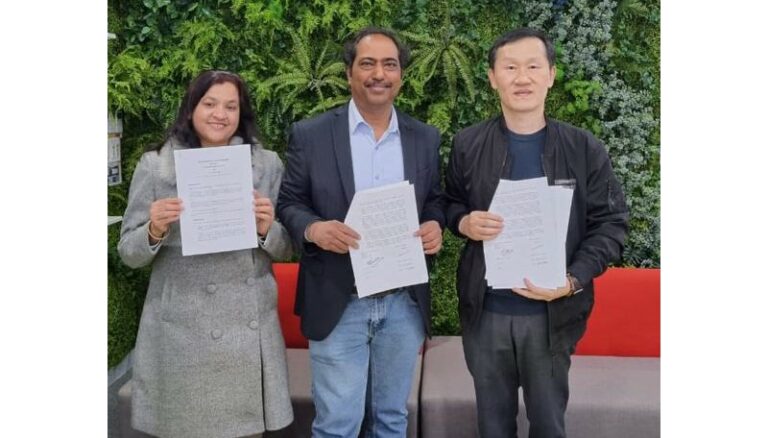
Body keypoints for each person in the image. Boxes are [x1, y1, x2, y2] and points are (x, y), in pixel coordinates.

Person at [444, 28, 629, 437]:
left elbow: (611, 224)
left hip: (552, 315)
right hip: (486, 313)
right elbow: (449, 203)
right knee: (493, 427)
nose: (522, 77)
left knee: (548, 425)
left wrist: (572, 280)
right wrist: (463, 222)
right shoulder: (468, 144)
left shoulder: (583, 148)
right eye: (510, 68)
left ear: (551, 75)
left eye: (532, 66)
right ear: (492, 78)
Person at [277, 27, 445, 438]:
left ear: (401, 74)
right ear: (349, 73)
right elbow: (289, 202)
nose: (379, 74)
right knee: (337, 426)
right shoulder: (311, 135)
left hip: (403, 303)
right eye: (367, 63)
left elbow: (435, 200)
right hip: (338, 301)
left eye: (390, 64)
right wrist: (313, 229)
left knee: (391, 420)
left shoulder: (424, 138)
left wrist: (435, 225)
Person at [118, 70, 294, 438]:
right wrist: (154, 229)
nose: (220, 114)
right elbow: (129, 253)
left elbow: (288, 249)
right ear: (191, 109)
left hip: (247, 331)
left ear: (241, 113)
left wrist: (266, 229)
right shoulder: (156, 166)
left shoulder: (267, 165)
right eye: (210, 103)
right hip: (182, 330)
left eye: (231, 106)